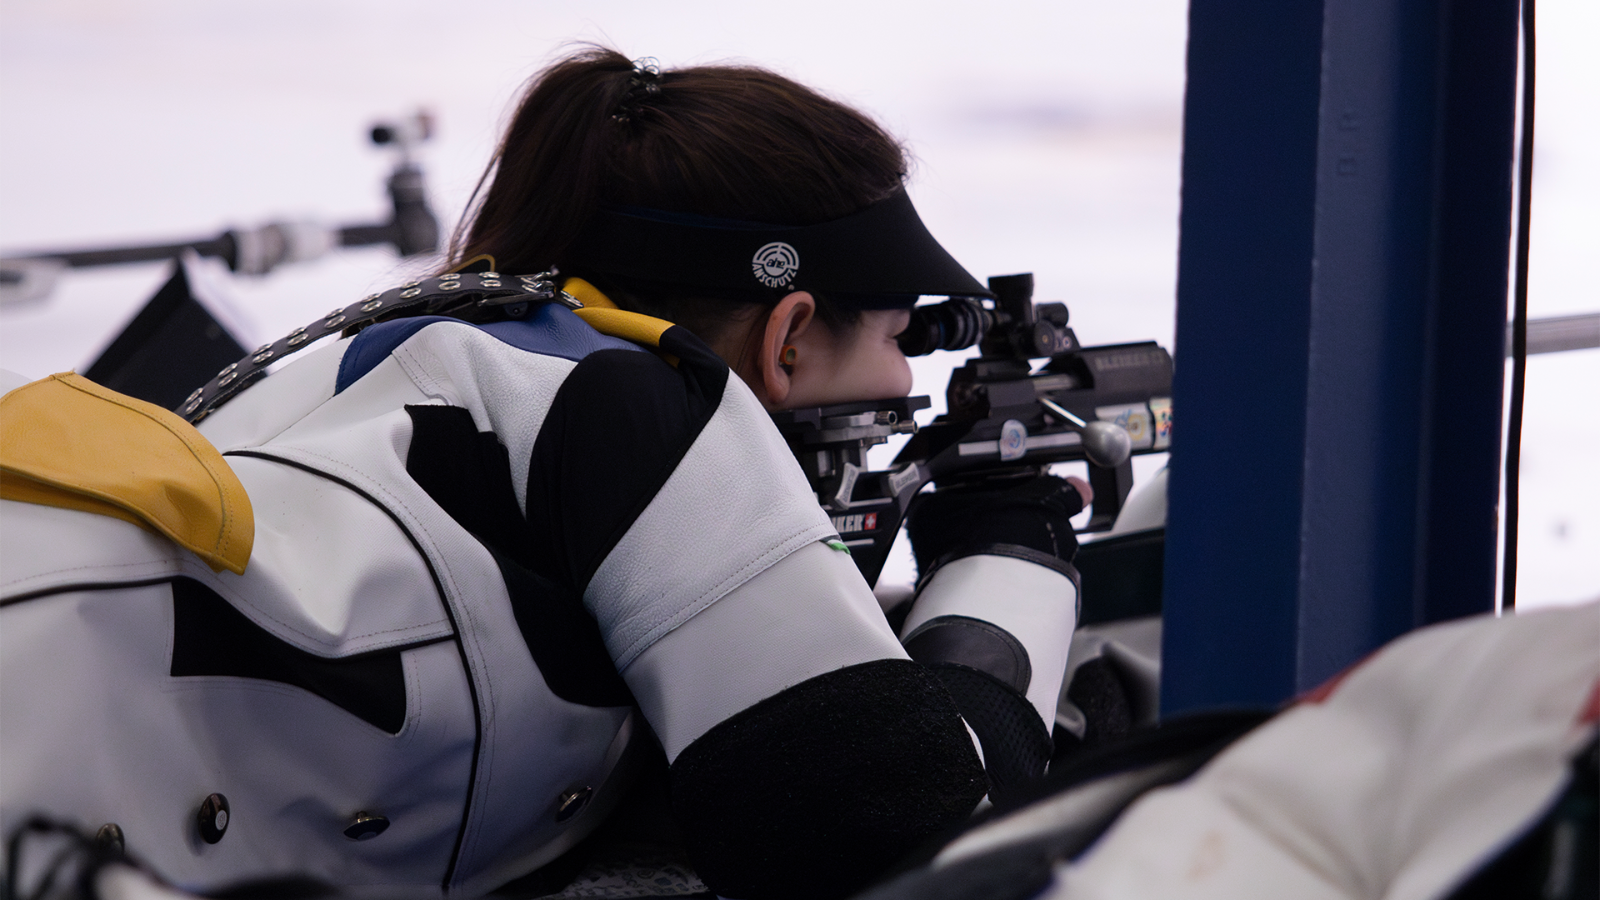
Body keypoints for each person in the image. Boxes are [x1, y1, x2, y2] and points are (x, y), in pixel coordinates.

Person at [0, 48, 1088, 900]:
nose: (907, 378)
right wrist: (1011, 543)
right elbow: (911, 839)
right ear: (788, 337)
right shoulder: (636, 402)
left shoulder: (392, 353)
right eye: (903, 336)